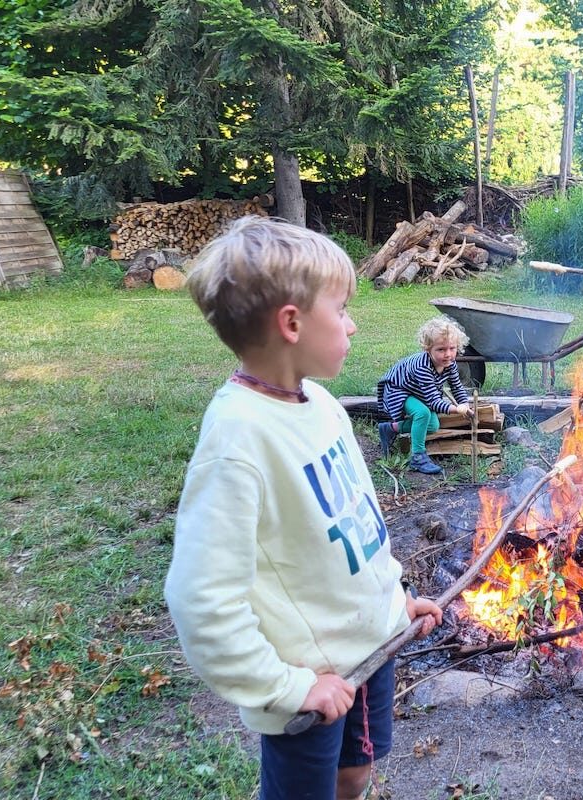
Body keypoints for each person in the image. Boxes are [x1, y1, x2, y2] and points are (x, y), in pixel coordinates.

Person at [164, 216, 443, 800]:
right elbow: (201, 599)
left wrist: (394, 603)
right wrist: (287, 687)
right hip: (311, 677)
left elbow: (356, 526)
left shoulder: (320, 403)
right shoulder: (238, 443)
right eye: (341, 310)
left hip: (369, 652)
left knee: (357, 771)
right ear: (291, 323)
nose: (353, 323)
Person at [376, 316, 472, 475]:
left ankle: (390, 429)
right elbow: (434, 402)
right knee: (422, 413)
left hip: (418, 390)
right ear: (428, 349)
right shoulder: (423, 367)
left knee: (432, 425)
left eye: (452, 348)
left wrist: (465, 405)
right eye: (441, 349)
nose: (448, 354)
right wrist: (456, 409)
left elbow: (456, 386)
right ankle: (417, 457)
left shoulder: (450, 364)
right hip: (398, 390)